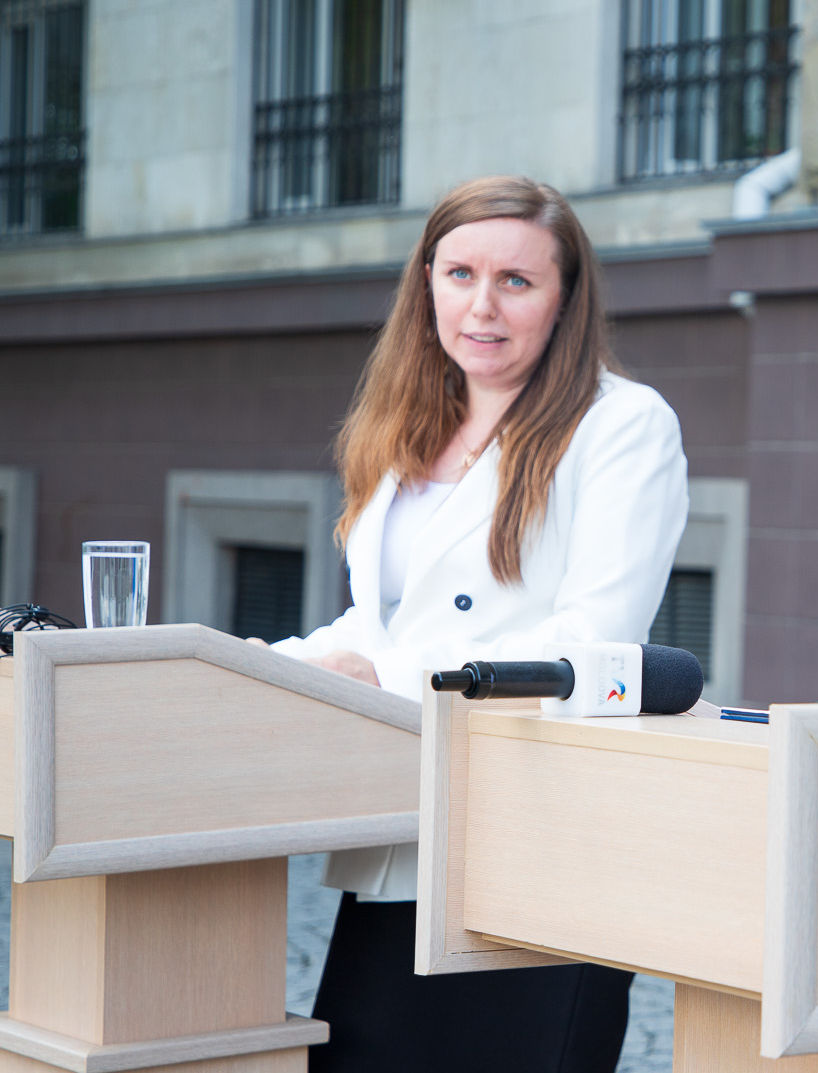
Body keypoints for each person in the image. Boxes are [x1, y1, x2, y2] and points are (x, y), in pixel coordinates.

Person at [267, 175, 689, 1072]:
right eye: (460, 274)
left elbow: (592, 640)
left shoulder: (623, 424)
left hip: (540, 843)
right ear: (426, 282)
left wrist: (385, 681)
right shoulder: (409, 424)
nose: (482, 306)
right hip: (406, 825)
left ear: (565, 298)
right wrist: (261, 667)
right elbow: (379, 620)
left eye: (516, 281)